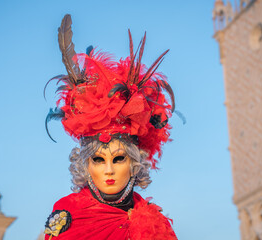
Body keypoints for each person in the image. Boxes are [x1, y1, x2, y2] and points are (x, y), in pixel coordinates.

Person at [44, 14, 179, 240]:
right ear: (85, 165)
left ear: (135, 164)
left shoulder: (157, 225)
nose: (109, 170)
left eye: (118, 159)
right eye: (98, 160)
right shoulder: (69, 216)